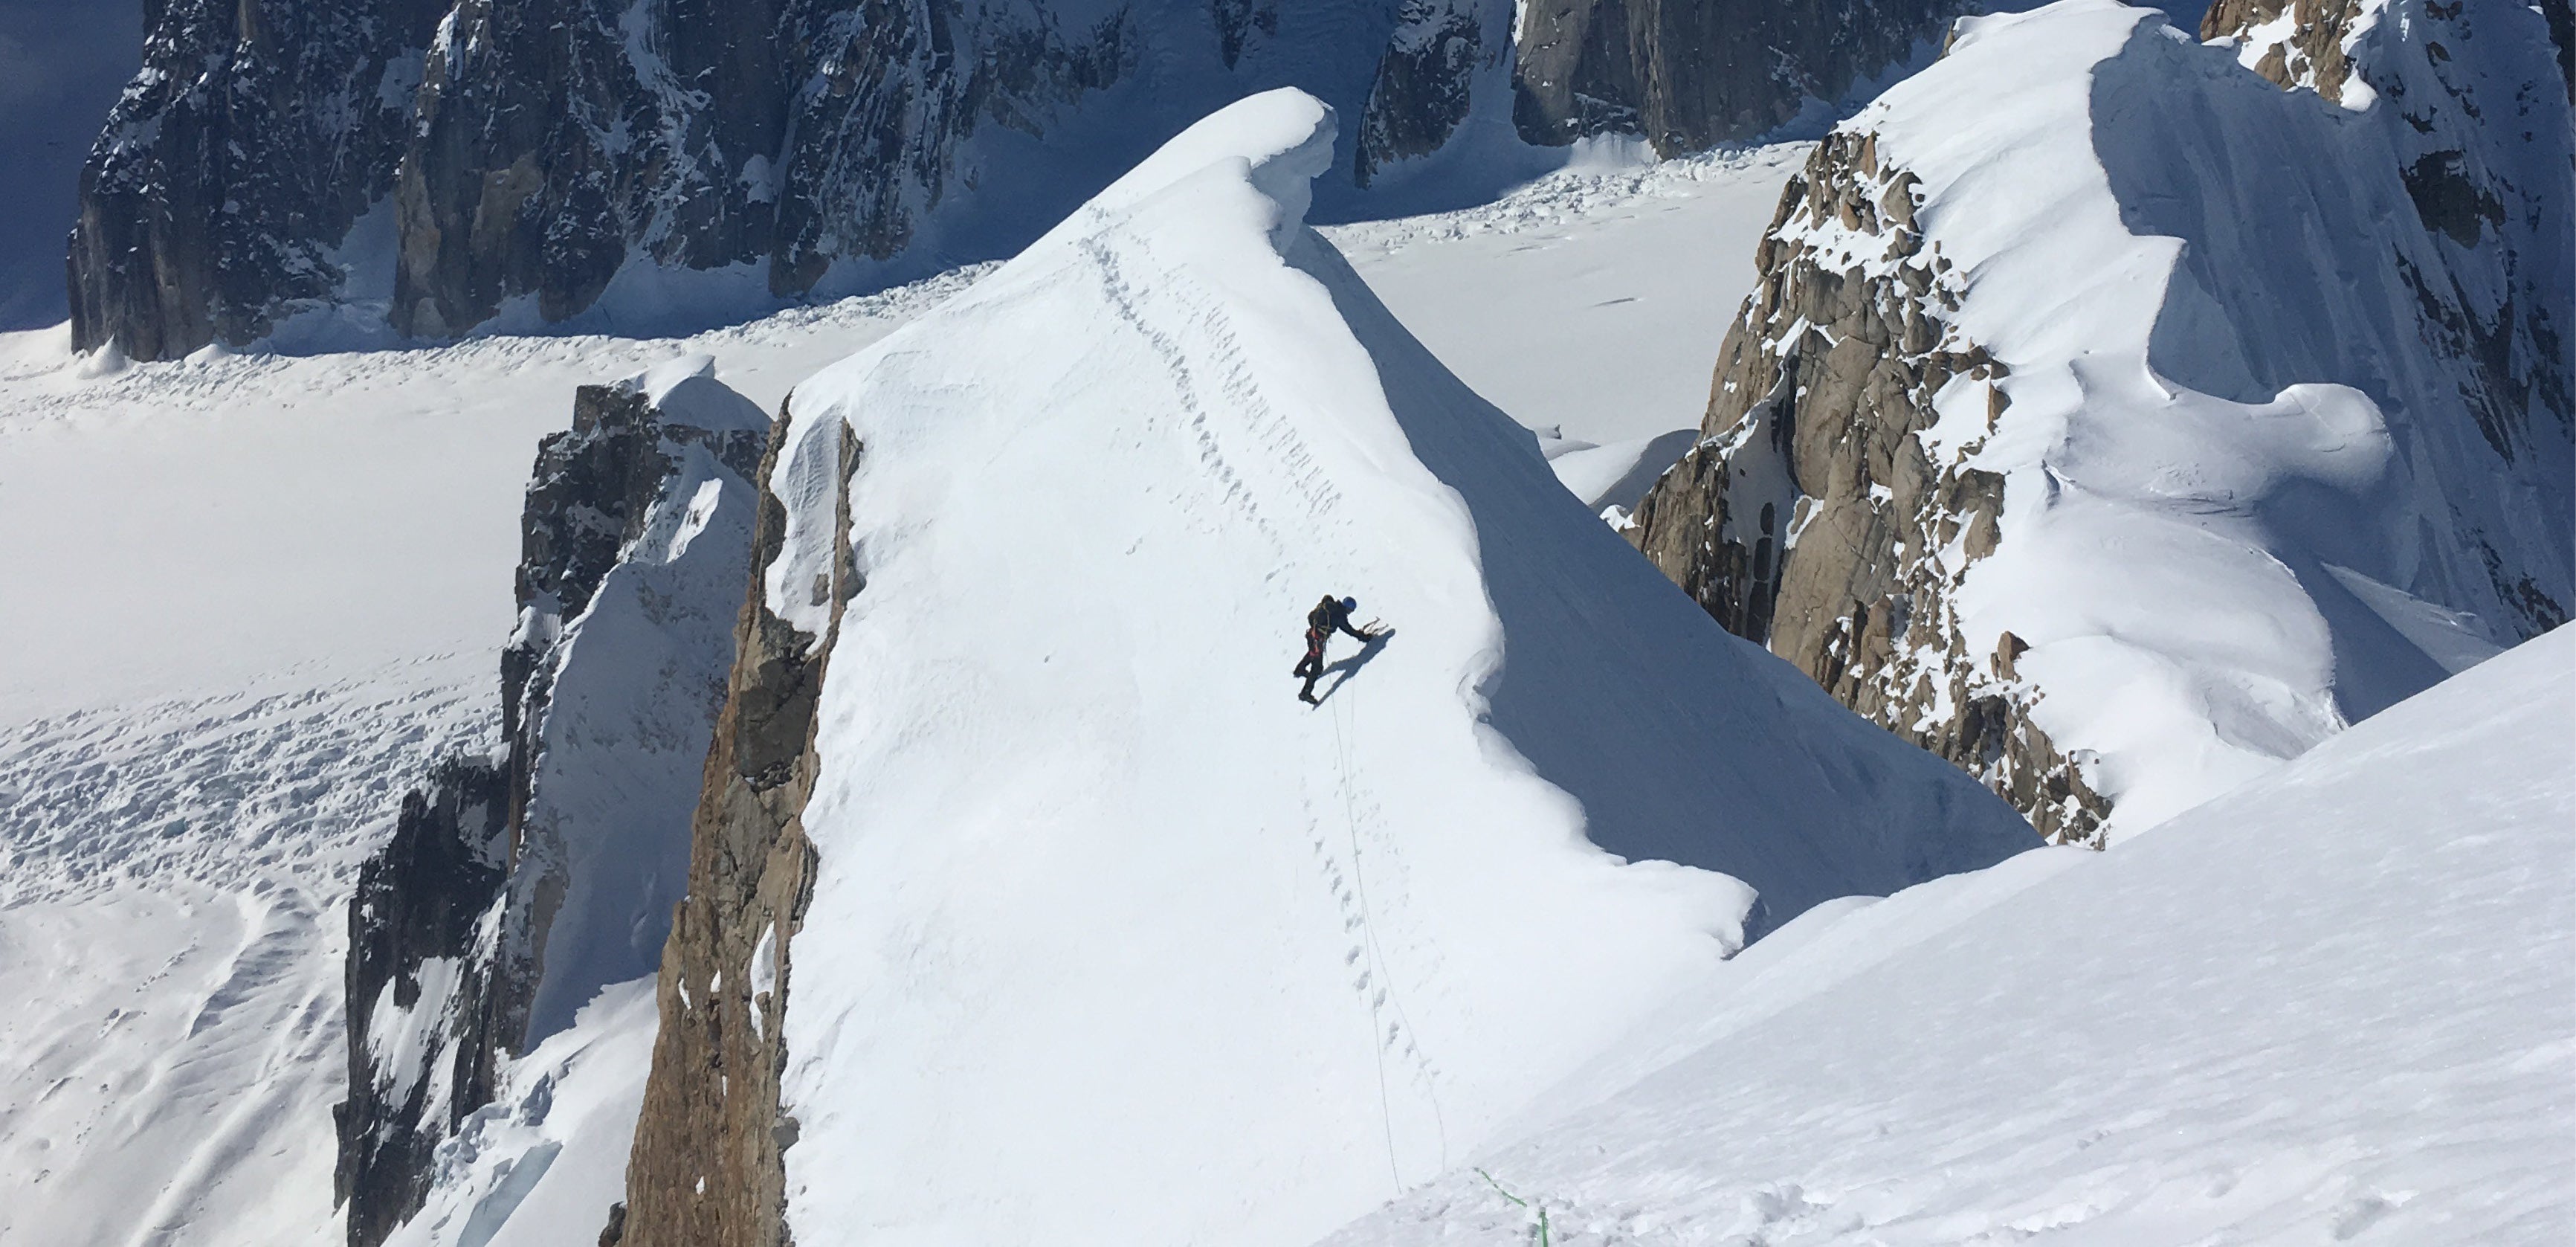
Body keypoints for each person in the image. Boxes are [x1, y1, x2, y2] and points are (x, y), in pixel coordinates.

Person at [1293, 594, 1376, 704]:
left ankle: (1300, 669)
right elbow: (1349, 630)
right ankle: (1305, 693)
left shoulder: (1329, 607)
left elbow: (1311, 617)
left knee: (1313, 653)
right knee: (1317, 668)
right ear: (1348, 608)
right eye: (1351, 611)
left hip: (1312, 636)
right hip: (1317, 640)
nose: (1350, 613)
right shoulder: (1339, 616)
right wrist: (1364, 637)